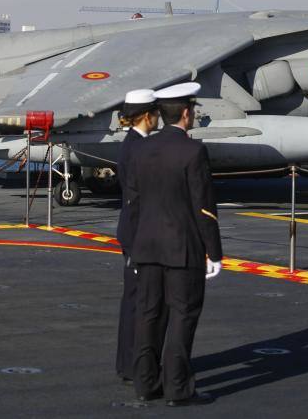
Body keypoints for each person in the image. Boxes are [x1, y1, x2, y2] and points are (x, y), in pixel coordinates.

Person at [128, 82, 223, 406]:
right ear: (186, 113)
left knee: (149, 315)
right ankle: (178, 387)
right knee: (182, 316)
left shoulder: (141, 149)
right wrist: (215, 251)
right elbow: (204, 207)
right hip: (182, 248)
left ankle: (146, 383)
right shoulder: (193, 151)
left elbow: (136, 199)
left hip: (146, 245)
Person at [115, 89, 161, 384]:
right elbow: (139, 197)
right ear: (147, 115)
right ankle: (134, 364)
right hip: (139, 232)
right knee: (139, 302)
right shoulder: (138, 149)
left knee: (134, 300)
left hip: (134, 230)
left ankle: (129, 363)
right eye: (155, 113)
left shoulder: (132, 145)